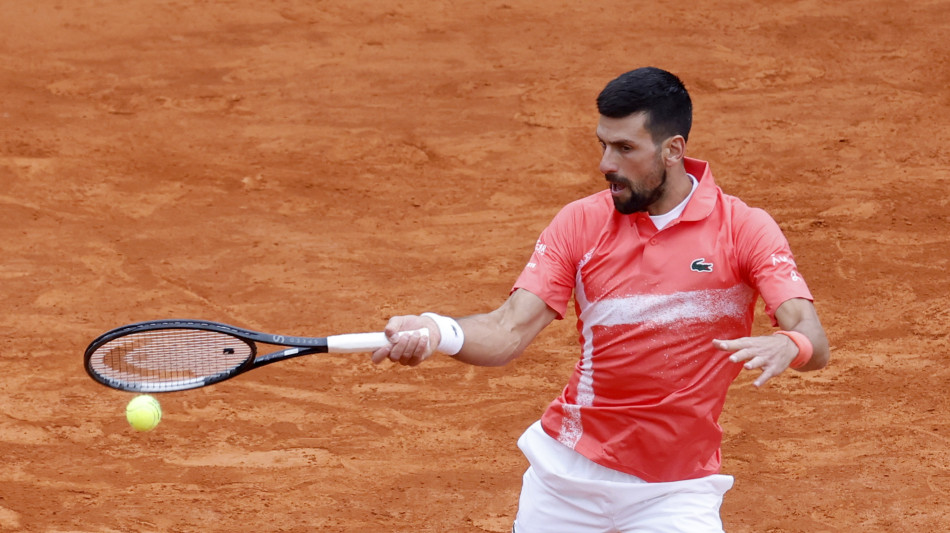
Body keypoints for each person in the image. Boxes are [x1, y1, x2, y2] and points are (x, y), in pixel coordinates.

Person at [371, 66, 830, 533]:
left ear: (673, 150)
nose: (606, 164)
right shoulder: (580, 222)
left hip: (674, 490)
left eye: (625, 148)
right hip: (565, 478)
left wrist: (791, 343)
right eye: (603, 145)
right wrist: (436, 330)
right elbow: (507, 330)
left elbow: (812, 336)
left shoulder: (744, 230)